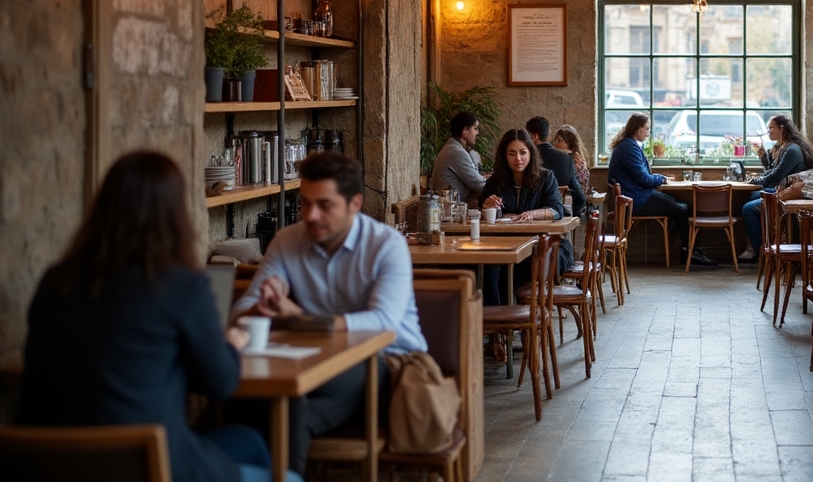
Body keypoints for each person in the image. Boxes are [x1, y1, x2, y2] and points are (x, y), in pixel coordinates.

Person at [17, 151, 298, 482]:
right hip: (146, 464)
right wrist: (231, 344)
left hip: (50, 464)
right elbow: (221, 383)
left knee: (249, 441)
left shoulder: (55, 281)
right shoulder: (182, 286)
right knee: (289, 477)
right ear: (174, 214)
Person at [232, 151, 426, 475]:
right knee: (242, 399)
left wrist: (297, 317)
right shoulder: (286, 242)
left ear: (354, 204)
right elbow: (240, 312)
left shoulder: (386, 245)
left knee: (285, 406)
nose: (311, 216)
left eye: (325, 205)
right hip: (315, 362)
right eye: (305, 203)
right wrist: (261, 306)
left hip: (390, 364)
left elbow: (383, 324)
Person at [607, 113, 715, 268]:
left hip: (636, 195)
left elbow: (644, 176)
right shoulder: (629, 148)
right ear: (638, 129)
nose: (648, 132)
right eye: (647, 129)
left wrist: (658, 177)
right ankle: (690, 253)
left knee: (683, 206)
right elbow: (644, 179)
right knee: (683, 208)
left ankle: (689, 251)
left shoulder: (628, 145)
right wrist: (662, 179)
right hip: (635, 200)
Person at [479, 129, 569, 304]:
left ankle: (516, 319)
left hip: (546, 246)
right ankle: (497, 323)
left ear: (531, 153)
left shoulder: (545, 177)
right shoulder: (496, 180)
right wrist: (486, 205)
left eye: (522, 153)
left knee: (515, 266)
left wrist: (531, 214)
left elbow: (557, 210)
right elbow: (481, 208)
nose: (517, 159)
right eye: (511, 154)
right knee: (490, 266)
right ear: (504, 156)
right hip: (506, 245)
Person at [739, 115, 813, 261]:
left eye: (771, 128)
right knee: (751, 196)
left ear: (782, 128)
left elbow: (776, 176)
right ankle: (755, 247)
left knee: (748, 209)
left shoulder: (792, 150)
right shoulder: (784, 147)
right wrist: (763, 158)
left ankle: (762, 251)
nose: (768, 131)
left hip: (791, 195)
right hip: (783, 190)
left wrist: (755, 181)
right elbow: (772, 171)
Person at [526, 116, 585, 218]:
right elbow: (577, 192)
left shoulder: (527, 158)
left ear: (534, 136)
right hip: (558, 214)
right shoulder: (566, 158)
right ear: (548, 134)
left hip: (530, 214)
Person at [430, 111, 487, 205]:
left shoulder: (451, 148)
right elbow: (479, 185)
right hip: (452, 213)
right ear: (465, 132)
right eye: (475, 128)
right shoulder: (457, 153)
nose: (477, 132)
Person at [553, 124, 592, 189]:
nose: (555, 144)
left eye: (559, 141)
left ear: (570, 143)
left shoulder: (576, 160)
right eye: (555, 140)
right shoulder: (559, 157)